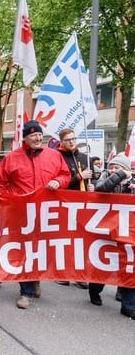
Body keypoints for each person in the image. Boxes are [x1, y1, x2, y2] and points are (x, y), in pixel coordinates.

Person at [0, 120, 70, 309]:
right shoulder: (11, 158)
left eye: (39, 135)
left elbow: (66, 175)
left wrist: (58, 182)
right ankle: (25, 292)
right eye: (33, 135)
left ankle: (35, 278)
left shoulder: (54, 156)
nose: (37, 138)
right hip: (21, 215)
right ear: (25, 138)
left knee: (42, 251)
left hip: (47, 214)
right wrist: (9, 201)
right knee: (24, 252)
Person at [90, 154, 135, 320]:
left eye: (118, 167)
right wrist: (120, 175)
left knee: (129, 266)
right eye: (112, 167)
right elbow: (103, 189)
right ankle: (94, 291)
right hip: (106, 230)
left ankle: (128, 305)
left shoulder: (133, 183)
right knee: (103, 263)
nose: (113, 170)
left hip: (128, 231)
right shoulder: (102, 180)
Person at [56, 129, 93, 289]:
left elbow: (93, 179)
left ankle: (79, 274)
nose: (71, 142)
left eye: (73, 138)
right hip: (65, 204)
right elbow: (58, 182)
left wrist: (93, 186)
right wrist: (78, 177)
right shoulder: (58, 158)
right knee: (66, 240)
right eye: (67, 140)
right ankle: (64, 273)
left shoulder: (85, 158)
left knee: (81, 240)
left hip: (84, 205)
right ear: (61, 142)